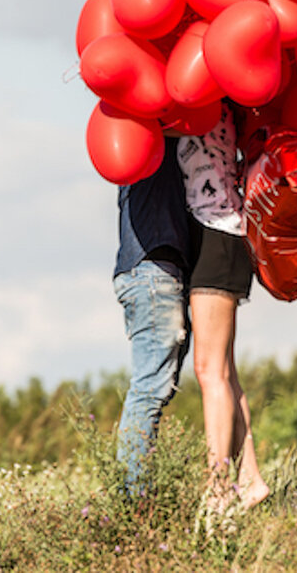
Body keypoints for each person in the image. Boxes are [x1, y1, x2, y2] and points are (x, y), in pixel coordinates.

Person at [177, 101, 270, 513]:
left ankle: (217, 487)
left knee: (209, 370)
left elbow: (159, 126)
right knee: (224, 371)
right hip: (219, 231)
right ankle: (250, 478)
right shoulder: (215, 101)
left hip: (218, 232)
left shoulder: (202, 102)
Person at [113, 133, 199, 494]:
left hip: (152, 273)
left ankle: (135, 493)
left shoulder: (143, 142)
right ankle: (133, 500)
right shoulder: (151, 133)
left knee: (154, 389)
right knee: (149, 390)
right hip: (153, 274)